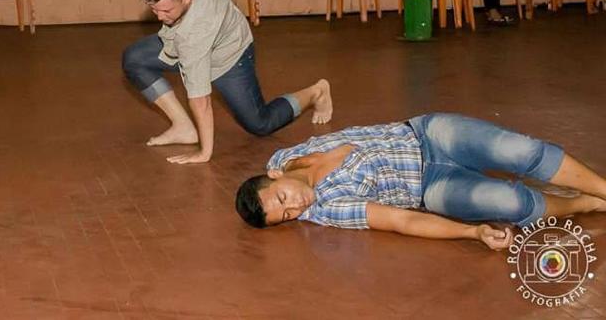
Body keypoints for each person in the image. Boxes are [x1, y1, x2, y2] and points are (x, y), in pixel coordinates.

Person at [117, 0, 332, 165]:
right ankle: (183, 127)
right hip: (184, 42)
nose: (159, 17)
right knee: (135, 59)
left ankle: (317, 92)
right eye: (154, 10)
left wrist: (204, 153)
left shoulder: (195, 32)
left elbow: (201, 100)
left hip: (230, 56)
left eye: (165, 11)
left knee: (260, 123)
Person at [235, 113, 606, 249]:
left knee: (519, 151)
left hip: (426, 134)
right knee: (513, 204)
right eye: (287, 216)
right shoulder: (328, 208)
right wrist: (472, 233)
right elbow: (402, 220)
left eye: (282, 199)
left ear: (275, 175)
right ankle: (584, 202)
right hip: (429, 187)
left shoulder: (284, 157)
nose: (296, 207)